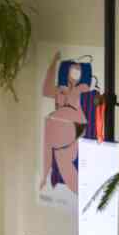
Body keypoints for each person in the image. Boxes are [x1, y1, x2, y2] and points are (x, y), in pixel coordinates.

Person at [40, 52, 90, 194]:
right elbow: (46, 89)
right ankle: (46, 174)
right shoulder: (60, 90)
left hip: (74, 129)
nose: (73, 75)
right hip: (59, 130)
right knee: (56, 152)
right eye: (71, 71)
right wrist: (53, 63)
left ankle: (85, 193)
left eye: (77, 71)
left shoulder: (83, 89)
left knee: (65, 161)